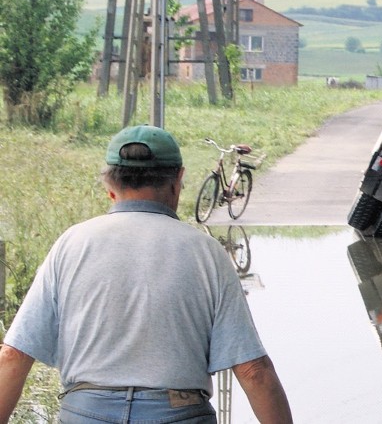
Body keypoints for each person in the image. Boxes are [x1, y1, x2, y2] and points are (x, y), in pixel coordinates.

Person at [0, 125, 292, 424]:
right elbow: (253, 372)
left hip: (86, 412)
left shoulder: (71, 245)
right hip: (179, 414)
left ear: (109, 186)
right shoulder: (207, 254)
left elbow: (13, 355)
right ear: (177, 180)